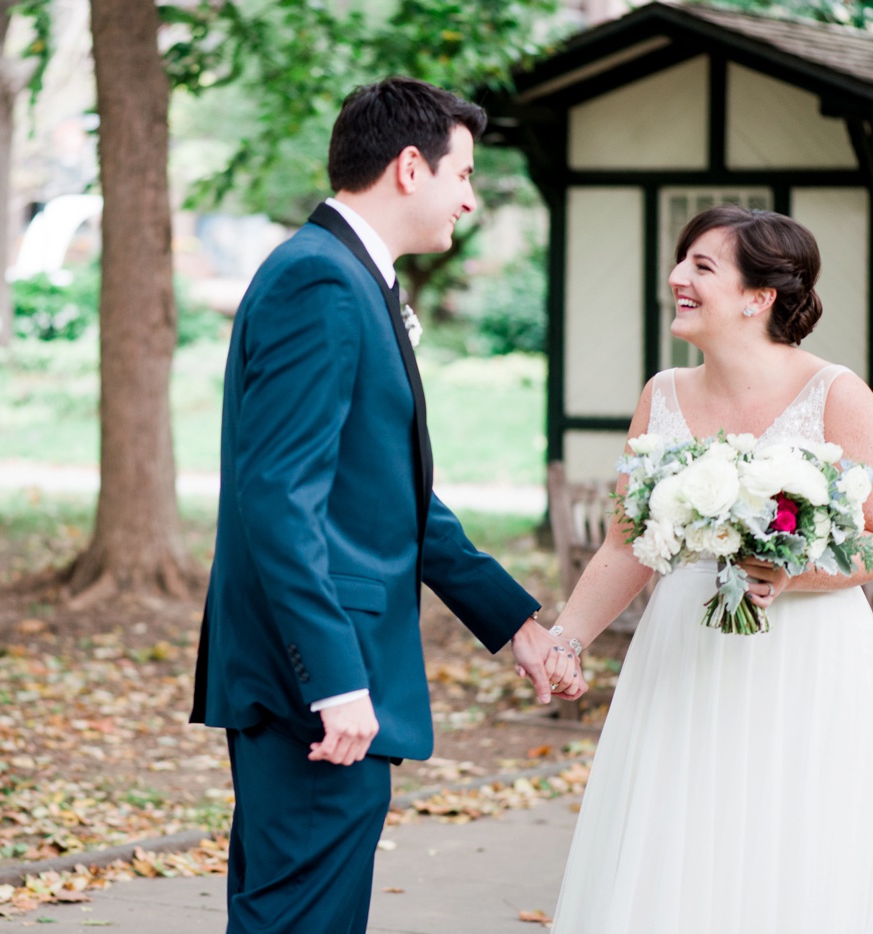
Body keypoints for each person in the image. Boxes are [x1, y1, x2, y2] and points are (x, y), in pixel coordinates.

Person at [189, 76, 581, 933]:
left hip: (323, 677)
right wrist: (333, 679)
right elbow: (278, 499)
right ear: (411, 167)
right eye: (464, 175)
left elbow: (393, 492)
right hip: (315, 685)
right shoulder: (320, 284)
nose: (470, 200)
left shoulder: (350, 277)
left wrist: (515, 624)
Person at [541, 205, 873, 932]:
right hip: (684, 651)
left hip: (806, 658)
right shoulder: (663, 394)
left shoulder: (835, 394)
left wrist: (788, 572)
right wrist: (566, 640)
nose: (677, 277)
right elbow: (626, 543)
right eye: (682, 262)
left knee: (790, 838)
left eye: (701, 266)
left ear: (759, 295)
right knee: (674, 834)